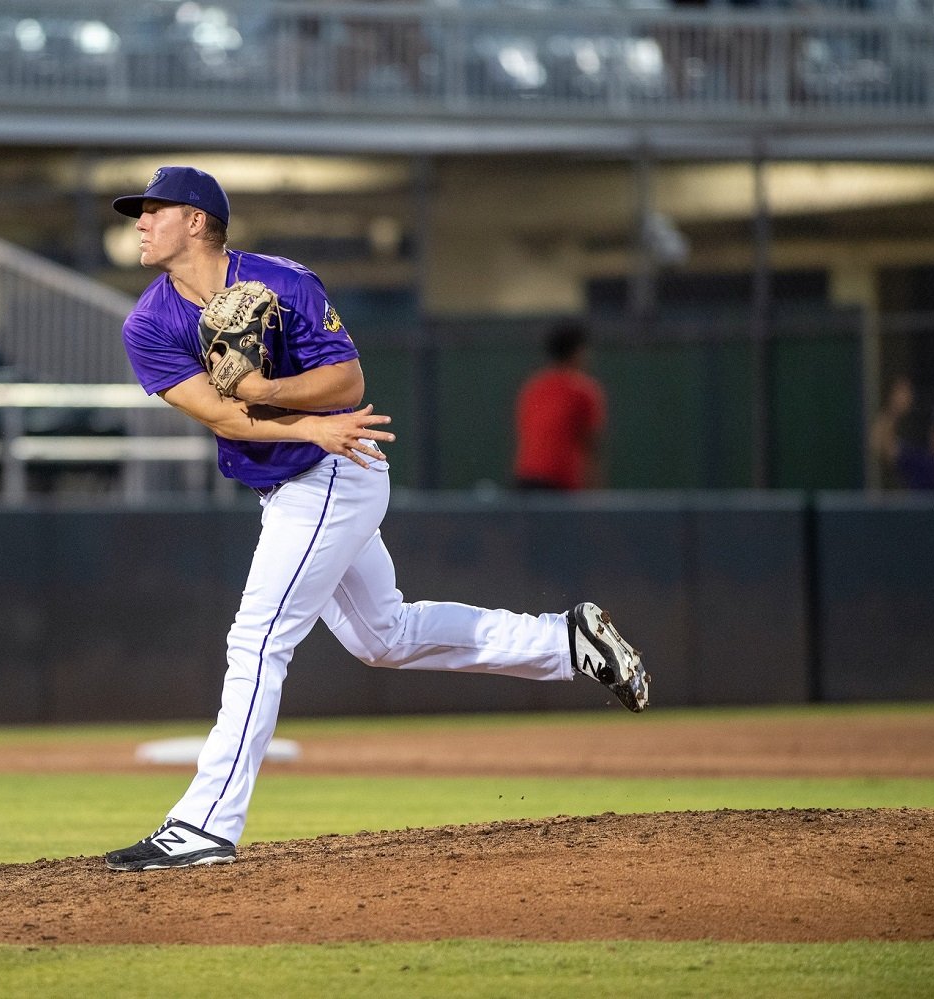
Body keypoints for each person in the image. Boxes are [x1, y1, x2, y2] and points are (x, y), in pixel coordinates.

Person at [102, 166, 650, 873]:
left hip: (337, 472)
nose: (140, 222)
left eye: (154, 210)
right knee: (382, 635)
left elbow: (349, 382)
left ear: (199, 221)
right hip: (298, 469)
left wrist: (272, 391)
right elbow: (216, 411)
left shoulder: (286, 282)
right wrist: (303, 426)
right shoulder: (148, 321)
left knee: (257, 637)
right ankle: (564, 640)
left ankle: (205, 823)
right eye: (138, 213)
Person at [513, 320, 607, 491]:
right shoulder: (584, 390)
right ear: (578, 352)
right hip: (560, 485)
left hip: (525, 481)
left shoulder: (533, 386)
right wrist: (595, 498)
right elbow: (591, 447)